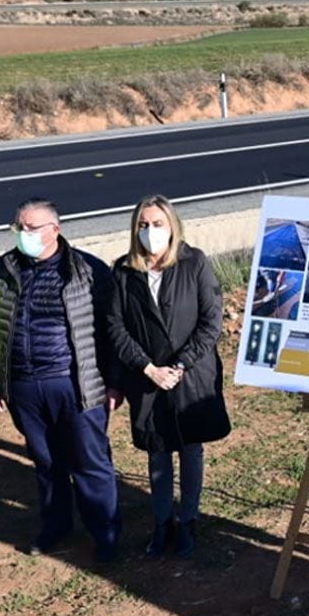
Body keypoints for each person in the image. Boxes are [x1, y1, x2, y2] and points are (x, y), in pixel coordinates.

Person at [0, 198, 122, 562]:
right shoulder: (0, 271)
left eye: (32, 228)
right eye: (19, 228)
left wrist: (117, 381)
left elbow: (114, 330)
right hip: (24, 388)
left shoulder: (89, 271)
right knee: (46, 461)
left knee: (89, 460)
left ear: (56, 229)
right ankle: (56, 526)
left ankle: (106, 533)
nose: (24, 235)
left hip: (76, 383)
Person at [107, 195, 230, 559]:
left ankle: (188, 520)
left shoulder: (194, 263)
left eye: (157, 224)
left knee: (191, 448)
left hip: (189, 376)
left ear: (172, 226)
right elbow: (115, 326)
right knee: (157, 451)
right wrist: (146, 367)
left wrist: (180, 365)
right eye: (143, 225)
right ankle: (162, 523)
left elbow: (211, 321)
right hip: (147, 378)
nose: (150, 231)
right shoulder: (124, 271)